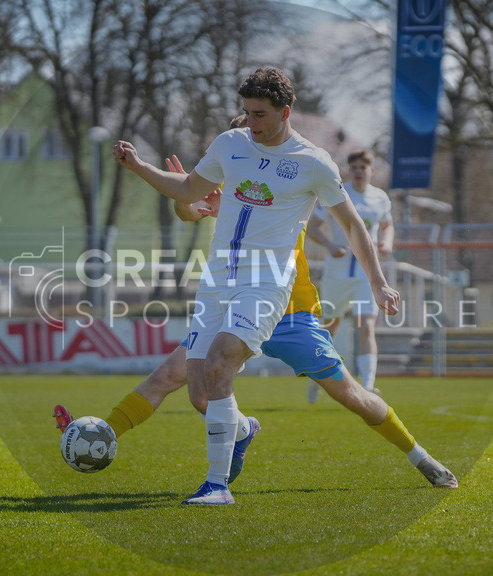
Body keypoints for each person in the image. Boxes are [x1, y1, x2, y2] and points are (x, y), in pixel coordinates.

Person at [54, 151, 458, 492]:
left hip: (291, 313)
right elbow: (187, 210)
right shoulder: (230, 184)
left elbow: (344, 223)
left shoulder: (284, 190)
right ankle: (107, 433)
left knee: (353, 396)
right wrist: (187, 195)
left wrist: (379, 282)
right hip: (234, 308)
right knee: (183, 385)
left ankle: (420, 456)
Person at [113, 67, 401, 505]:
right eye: (246, 112)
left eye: (260, 114)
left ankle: (216, 486)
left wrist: (379, 283)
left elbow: (354, 226)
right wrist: (140, 167)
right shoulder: (230, 145)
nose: (251, 122)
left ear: (286, 112)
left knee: (221, 361)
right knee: (198, 392)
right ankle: (243, 430)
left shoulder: (313, 162)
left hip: (269, 285)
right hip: (217, 281)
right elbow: (190, 191)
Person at [306, 150, 394, 403]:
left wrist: (386, 243)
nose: (358, 171)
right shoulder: (338, 194)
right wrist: (330, 245)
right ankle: (317, 379)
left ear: (371, 171)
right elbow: (312, 226)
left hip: (367, 276)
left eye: (362, 167)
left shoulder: (380, 198)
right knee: (329, 329)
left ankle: (367, 386)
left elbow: (387, 226)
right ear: (349, 170)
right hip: (338, 274)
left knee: (366, 327)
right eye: (353, 167)